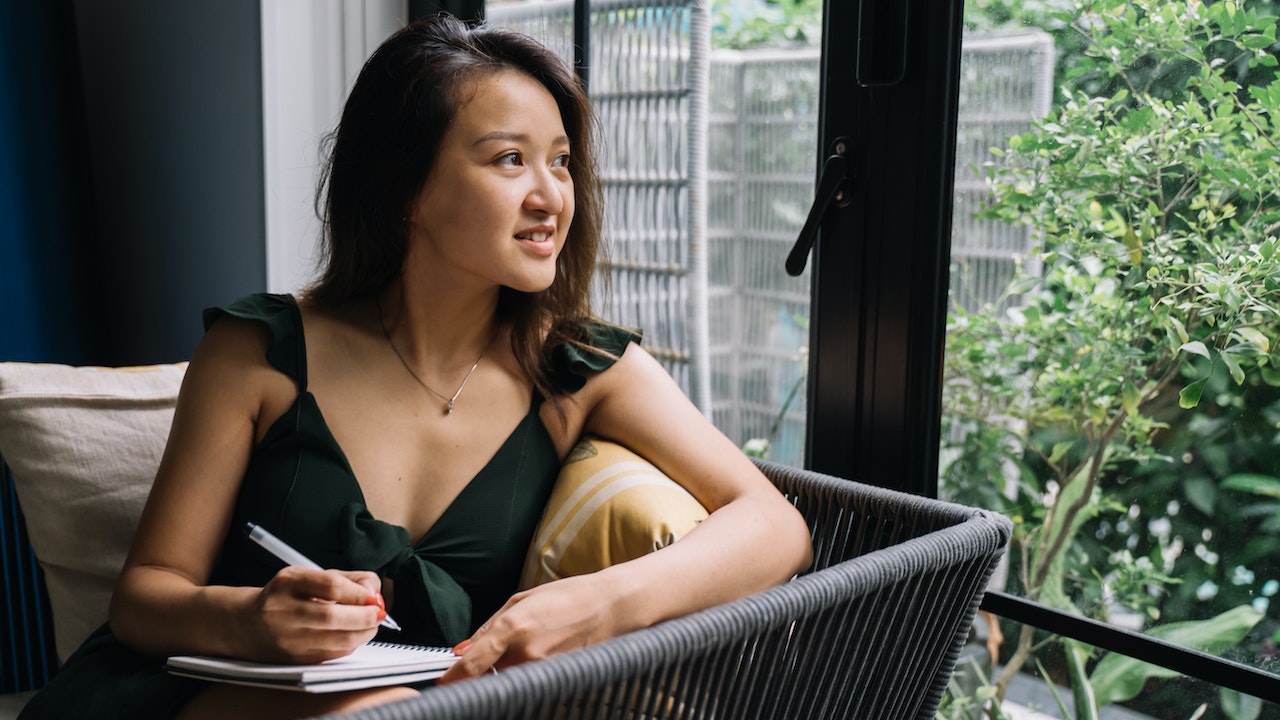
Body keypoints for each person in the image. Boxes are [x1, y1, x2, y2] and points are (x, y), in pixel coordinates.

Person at [18, 15, 813, 720]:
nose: (551, 196)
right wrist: (252, 617)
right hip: (196, 695)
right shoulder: (256, 351)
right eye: (510, 160)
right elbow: (144, 596)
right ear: (406, 188)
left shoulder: (577, 366)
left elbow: (775, 525)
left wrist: (593, 605)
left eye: (562, 161)